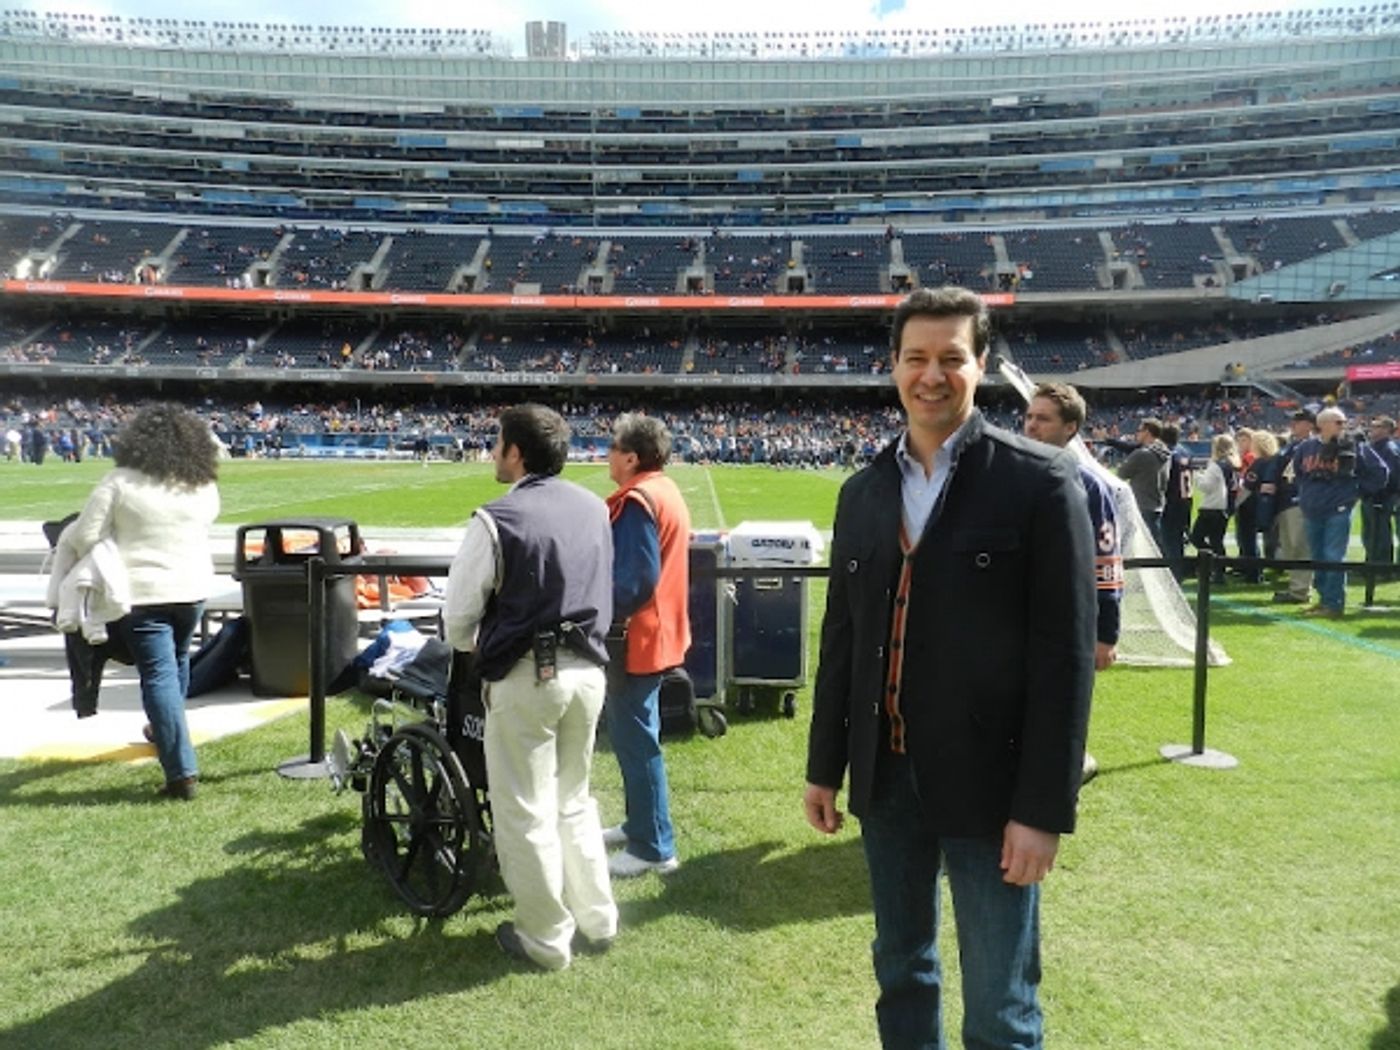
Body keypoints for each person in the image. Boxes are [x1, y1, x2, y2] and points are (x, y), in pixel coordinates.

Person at [804, 287, 1097, 1050]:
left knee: (999, 1006)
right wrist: (823, 767)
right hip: (887, 781)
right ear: (894, 367)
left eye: (951, 359)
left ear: (983, 365)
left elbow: (1065, 660)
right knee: (902, 970)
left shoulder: (1038, 481)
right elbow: (843, 640)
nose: (932, 375)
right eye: (916, 358)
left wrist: (1041, 810)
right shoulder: (862, 493)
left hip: (993, 787)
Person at [443, 404, 617, 971]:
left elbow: (458, 619)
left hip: (528, 676)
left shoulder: (498, 517)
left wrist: (483, 647)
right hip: (588, 671)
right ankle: (598, 917)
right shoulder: (594, 508)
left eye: (498, 444)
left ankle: (545, 939)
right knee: (574, 799)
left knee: (525, 809)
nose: (493, 453)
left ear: (516, 452)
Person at [66, 404, 221, 799]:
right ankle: (164, 730)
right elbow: (208, 521)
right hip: (192, 590)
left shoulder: (119, 481)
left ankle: (180, 771)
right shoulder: (201, 482)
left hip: (141, 593)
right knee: (177, 662)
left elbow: (85, 535)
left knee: (159, 675)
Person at [601, 412, 691, 878]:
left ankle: (654, 847)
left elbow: (635, 580)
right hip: (659, 630)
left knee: (636, 742)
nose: (607, 455)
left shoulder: (638, 499)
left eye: (613, 447)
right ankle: (641, 825)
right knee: (636, 736)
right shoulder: (664, 489)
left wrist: (597, 611)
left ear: (631, 457)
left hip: (637, 636)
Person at [1292, 407, 1389, 618]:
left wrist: (1357, 491)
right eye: (1338, 422)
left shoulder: (1354, 446)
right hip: (1312, 509)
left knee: (1333, 555)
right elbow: (1298, 472)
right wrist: (1306, 493)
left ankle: (1334, 604)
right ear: (1323, 424)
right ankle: (1323, 599)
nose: (1343, 426)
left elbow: (1380, 471)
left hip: (1338, 509)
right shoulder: (1306, 447)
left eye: (1344, 422)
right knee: (1318, 556)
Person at [1271, 410, 1317, 605]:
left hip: (1298, 500)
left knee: (1300, 547)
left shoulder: (1312, 445)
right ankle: (1296, 587)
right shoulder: (1292, 445)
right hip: (1285, 501)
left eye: (1298, 421)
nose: (1293, 424)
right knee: (1290, 548)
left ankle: (1300, 591)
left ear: (1309, 424)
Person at [1189, 433, 1241, 584]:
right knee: (1217, 540)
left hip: (1212, 506)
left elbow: (1207, 487)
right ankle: (1219, 571)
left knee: (1197, 537)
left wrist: (1197, 476)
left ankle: (1212, 563)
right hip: (1226, 507)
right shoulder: (1233, 464)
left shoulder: (1216, 465)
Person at [1116, 417, 1171, 551]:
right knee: (1154, 547)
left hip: (1140, 506)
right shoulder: (1165, 453)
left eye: (1139, 430)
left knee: (1137, 550)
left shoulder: (1142, 454)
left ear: (1147, 432)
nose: (1137, 434)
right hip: (1157, 504)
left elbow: (1121, 474)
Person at [1360, 416, 1399, 573]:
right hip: (1372, 496)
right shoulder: (1375, 447)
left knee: (1380, 532)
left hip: (1382, 497)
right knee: (1370, 532)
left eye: (1377, 426)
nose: (1372, 428)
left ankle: (1381, 567)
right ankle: (1373, 562)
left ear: (1386, 430)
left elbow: (1392, 475)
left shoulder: (1388, 449)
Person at [1159, 422, 1193, 580]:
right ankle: (1179, 569)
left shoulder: (1167, 454)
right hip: (1186, 498)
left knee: (1169, 537)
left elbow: (1164, 480)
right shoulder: (1185, 452)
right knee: (1178, 537)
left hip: (1172, 499)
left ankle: (1173, 573)